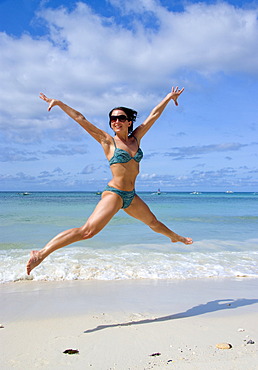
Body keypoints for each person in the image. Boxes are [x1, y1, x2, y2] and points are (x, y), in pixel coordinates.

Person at [26, 86, 193, 275]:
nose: (116, 121)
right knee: (88, 231)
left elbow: (153, 115)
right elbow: (81, 119)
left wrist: (169, 97)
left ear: (129, 122)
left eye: (121, 118)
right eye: (113, 118)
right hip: (114, 193)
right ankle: (41, 253)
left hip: (130, 195)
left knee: (154, 223)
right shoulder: (107, 141)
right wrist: (58, 103)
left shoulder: (136, 139)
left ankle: (175, 237)